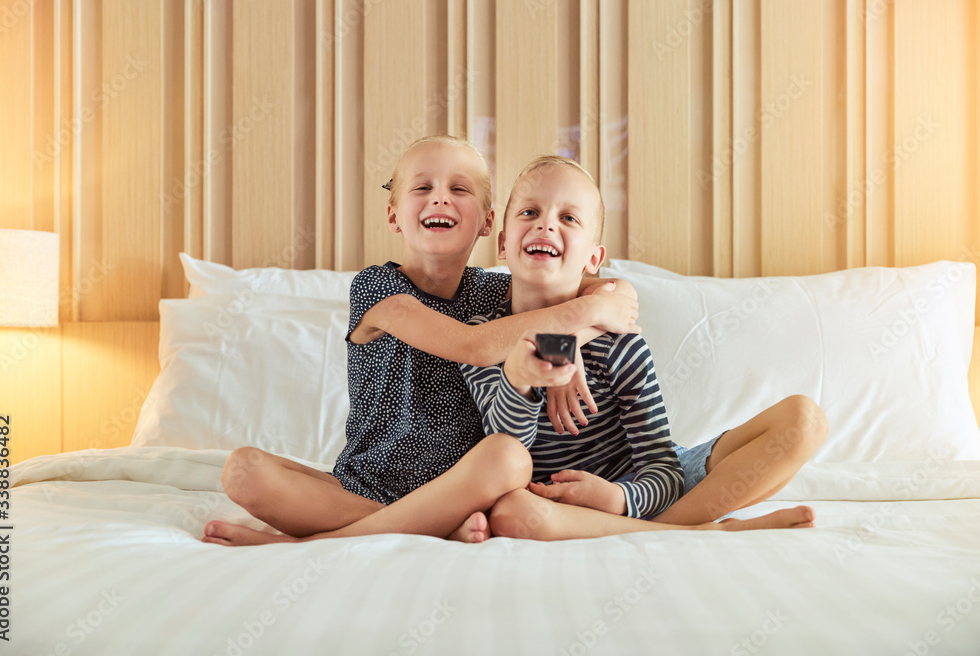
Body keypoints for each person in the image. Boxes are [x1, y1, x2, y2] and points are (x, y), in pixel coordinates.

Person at [202, 135, 640, 546]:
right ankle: (427, 528)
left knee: (508, 457)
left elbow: (608, 290)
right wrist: (581, 321)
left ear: (489, 224)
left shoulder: (494, 293)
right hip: (363, 484)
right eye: (422, 187)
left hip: (461, 487)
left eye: (459, 189)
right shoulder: (377, 289)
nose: (440, 197)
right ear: (393, 216)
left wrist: (572, 339)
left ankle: (315, 543)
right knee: (243, 471)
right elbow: (474, 345)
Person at [460, 156, 828, 540]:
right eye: (530, 211)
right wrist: (521, 380)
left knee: (805, 421)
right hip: (546, 501)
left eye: (569, 218)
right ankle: (702, 529)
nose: (546, 223)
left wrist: (618, 497)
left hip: (641, 488)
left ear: (593, 259)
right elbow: (504, 450)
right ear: (502, 244)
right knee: (510, 514)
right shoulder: (486, 337)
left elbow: (662, 467)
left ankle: (666, 528)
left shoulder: (618, 340)